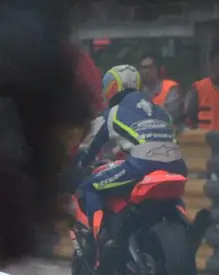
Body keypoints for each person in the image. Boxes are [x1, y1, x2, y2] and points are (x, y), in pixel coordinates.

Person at [71, 64, 187, 264]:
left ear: (114, 87)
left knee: (90, 186)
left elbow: (88, 147)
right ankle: (186, 227)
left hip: (141, 165)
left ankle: (101, 247)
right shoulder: (160, 111)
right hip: (177, 165)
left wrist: (76, 166)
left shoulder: (112, 113)